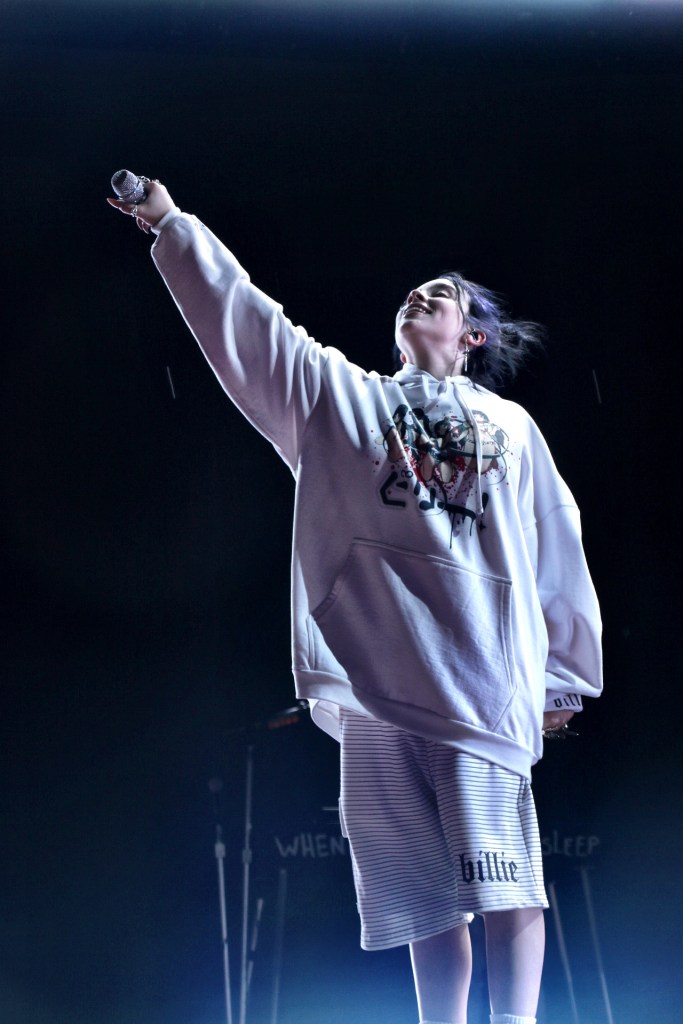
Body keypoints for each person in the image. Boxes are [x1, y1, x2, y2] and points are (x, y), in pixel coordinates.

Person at [109, 181, 602, 1024]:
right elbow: (251, 325)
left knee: (503, 875)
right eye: (413, 292)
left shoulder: (511, 427)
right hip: (374, 687)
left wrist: (563, 672)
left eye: (439, 295)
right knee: (420, 898)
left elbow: (555, 542)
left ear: (472, 336)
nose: (419, 296)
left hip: (477, 682)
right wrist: (168, 222)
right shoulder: (345, 399)